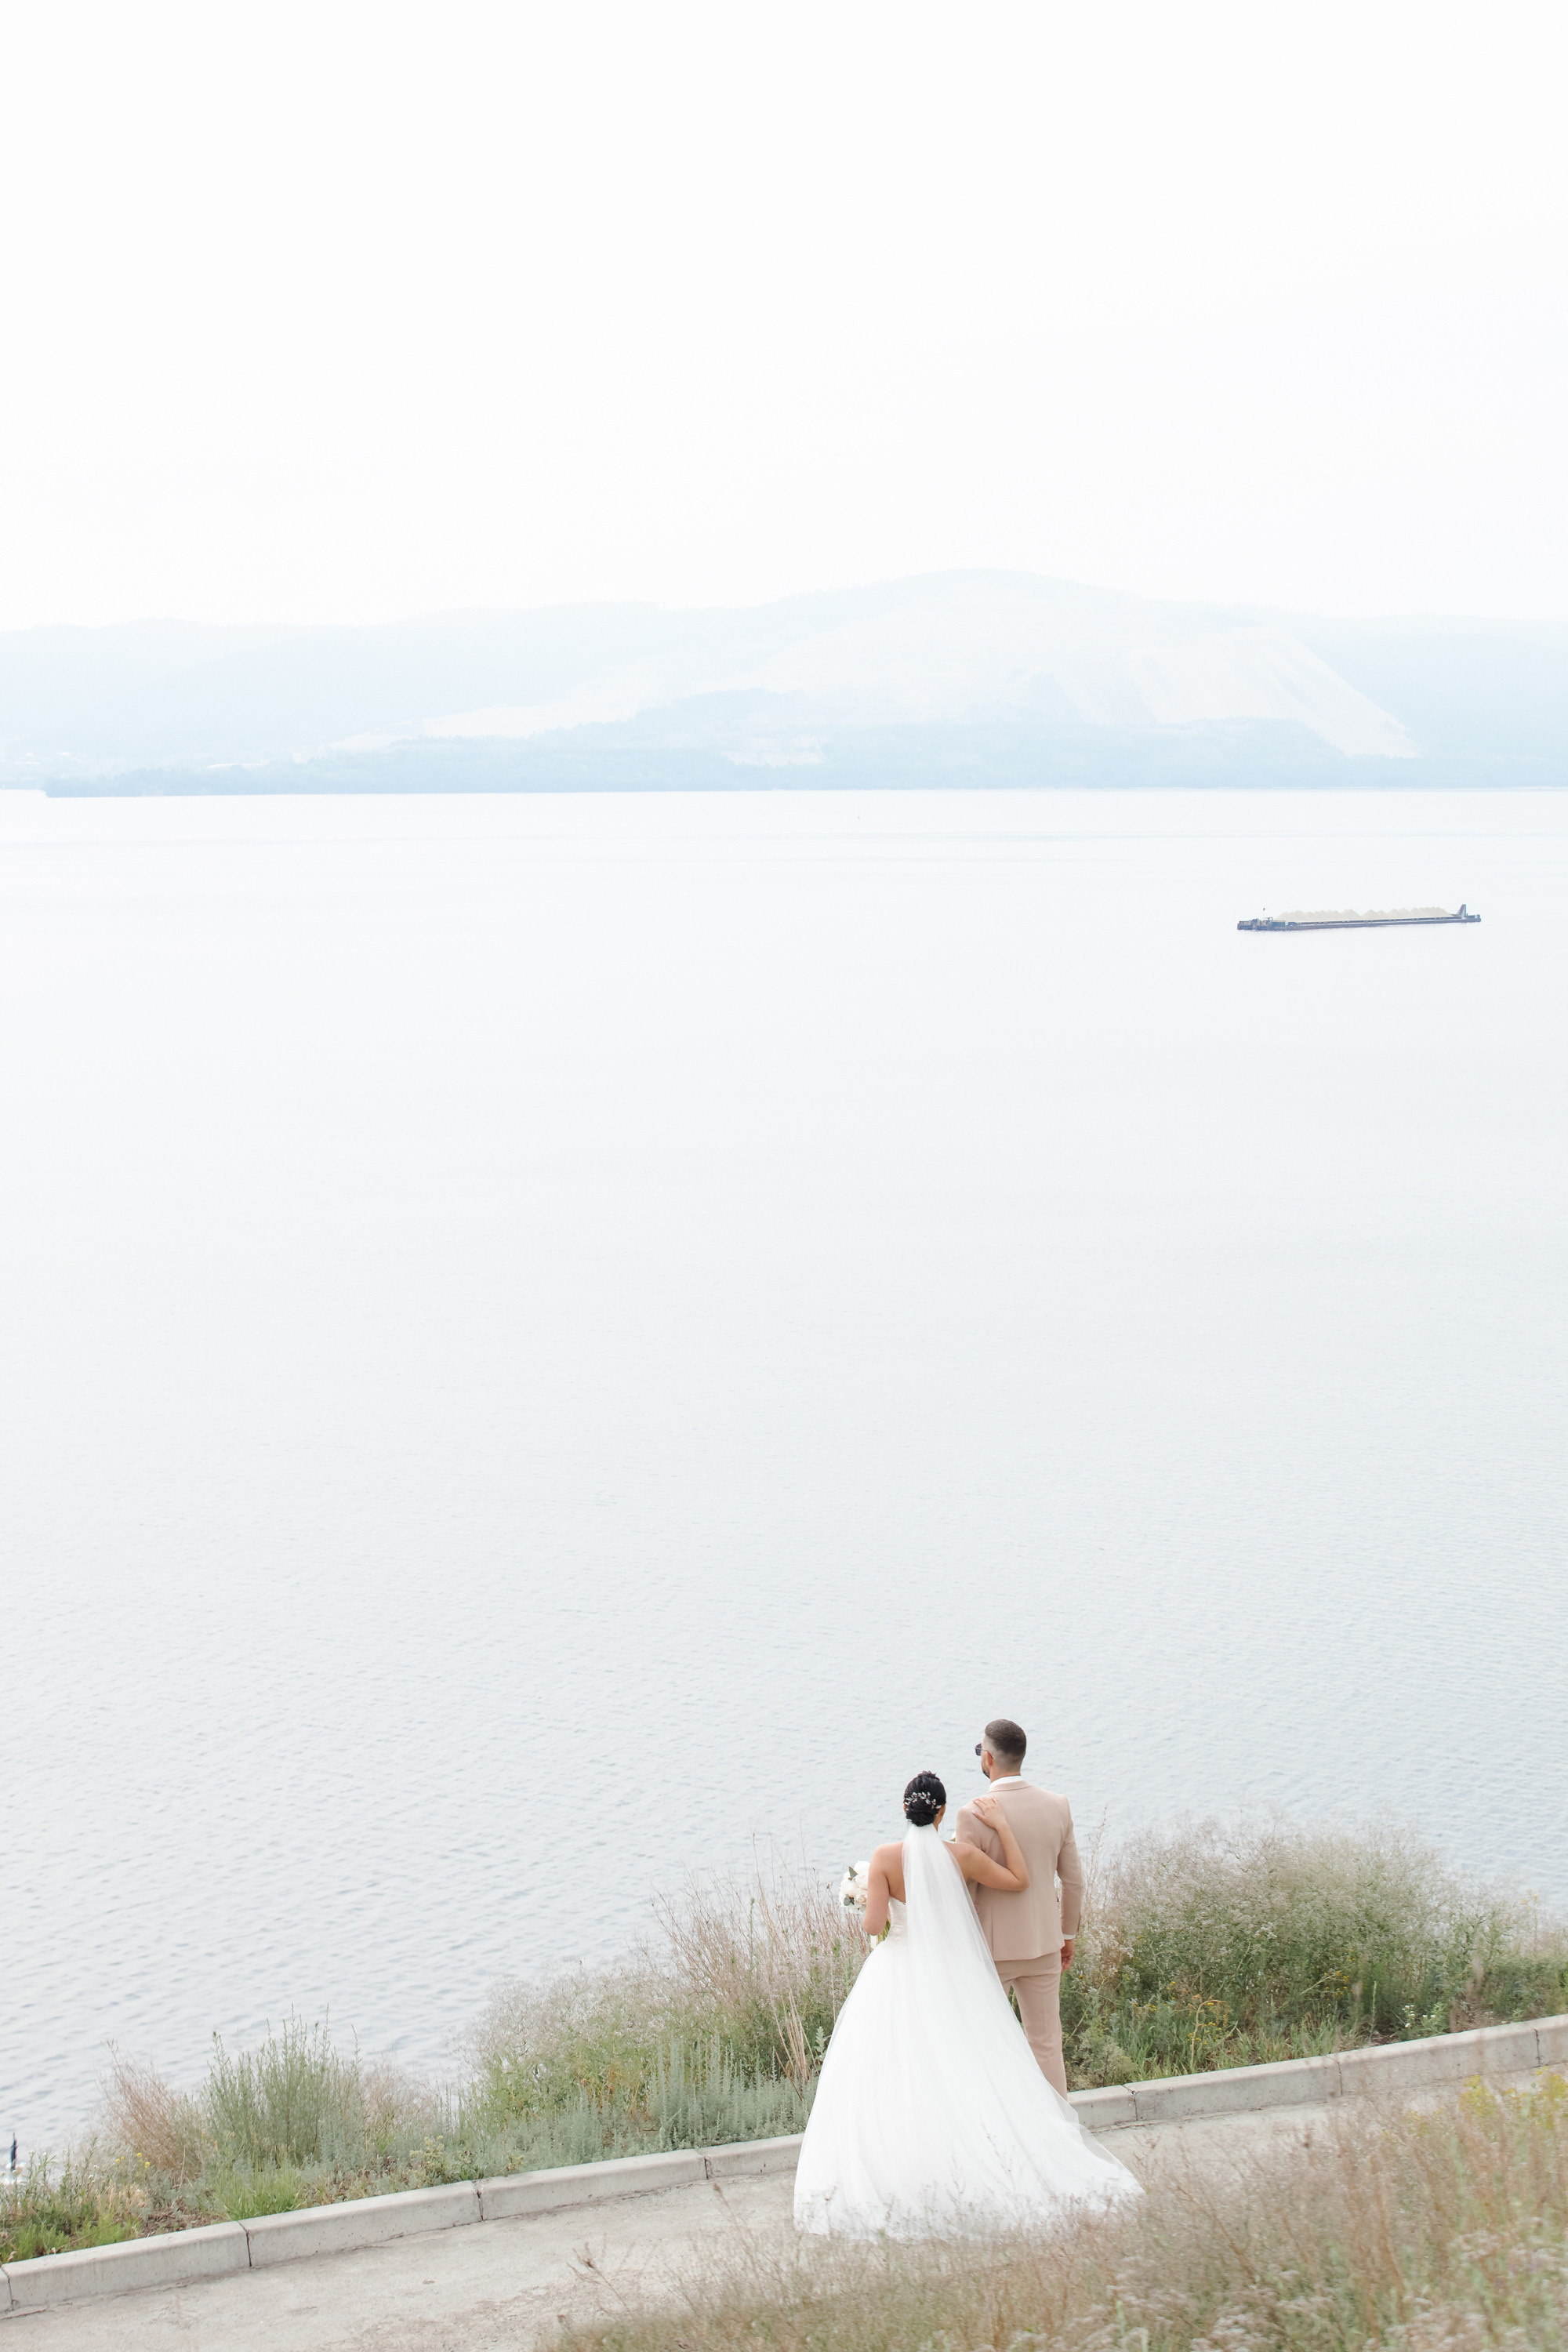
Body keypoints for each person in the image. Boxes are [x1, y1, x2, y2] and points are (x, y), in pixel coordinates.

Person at [793, 1769, 1140, 2239]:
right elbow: (1020, 1880)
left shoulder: (883, 1858)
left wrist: (869, 1903)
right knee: (965, 2064)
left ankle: (910, 2167)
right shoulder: (963, 1856)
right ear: (940, 1813)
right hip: (953, 1973)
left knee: (895, 2069)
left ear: (903, 1809)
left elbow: (874, 1925)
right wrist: (1001, 1827)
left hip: (894, 1974)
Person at [954, 1717, 1081, 2095]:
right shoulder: (1058, 1805)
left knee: (986, 2044)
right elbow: (1073, 1881)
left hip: (991, 1951)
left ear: (989, 1758)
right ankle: (1059, 2132)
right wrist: (1067, 1934)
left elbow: (966, 1889)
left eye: (980, 1751)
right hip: (1045, 1943)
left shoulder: (971, 1813)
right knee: (1046, 2043)